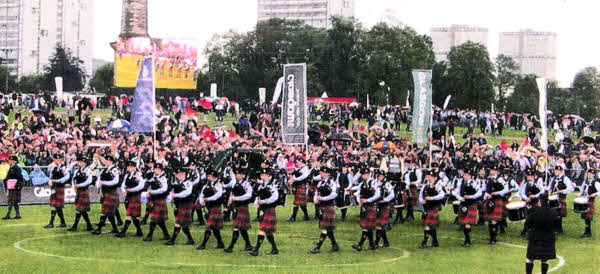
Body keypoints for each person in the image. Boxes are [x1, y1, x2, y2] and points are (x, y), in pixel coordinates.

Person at [250, 168, 280, 256]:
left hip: (269, 209)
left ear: (269, 177)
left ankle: (256, 250)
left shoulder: (272, 186)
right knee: (268, 231)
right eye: (262, 175)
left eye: (265, 175)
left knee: (262, 229)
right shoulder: (260, 186)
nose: (262, 176)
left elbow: (275, 197)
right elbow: (258, 196)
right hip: (263, 209)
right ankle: (275, 249)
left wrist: (264, 201)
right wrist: (256, 202)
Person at [224, 167, 254, 253]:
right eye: (237, 174)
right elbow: (232, 193)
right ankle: (248, 245)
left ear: (243, 175)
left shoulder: (246, 184)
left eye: (239, 174)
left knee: (237, 227)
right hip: (236, 207)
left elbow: (249, 195)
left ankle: (231, 247)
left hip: (243, 207)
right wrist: (230, 200)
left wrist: (237, 198)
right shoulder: (234, 183)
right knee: (242, 228)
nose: (237, 176)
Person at [310, 166, 339, 254]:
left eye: (323, 173)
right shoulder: (320, 183)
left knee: (324, 228)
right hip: (321, 207)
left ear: (327, 174)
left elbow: (334, 195)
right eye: (321, 173)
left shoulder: (332, 183)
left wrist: (323, 198)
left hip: (328, 206)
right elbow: (316, 192)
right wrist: (315, 198)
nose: (321, 174)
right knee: (328, 228)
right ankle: (335, 245)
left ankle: (318, 247)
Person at [165, 165, 196, 246]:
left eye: (179, 174)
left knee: (178, 222)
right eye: (177, 174)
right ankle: (190, 240)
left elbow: (187, 192)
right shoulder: (176, 183)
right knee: (184, 224)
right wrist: (171, 197)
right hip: (178, 204)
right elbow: (171, 193)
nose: (178, 175)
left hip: (186, 204)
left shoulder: (188, 183)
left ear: (183, 174)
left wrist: (176, 195)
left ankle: (172, 240)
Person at [525, 198, 558, 274]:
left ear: (540, 202)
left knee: (529, 258)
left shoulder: (534, 211)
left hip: (535, 238)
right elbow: (556, 225)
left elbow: (528, 223)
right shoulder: (553, 212)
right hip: (548, 238)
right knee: (545, 259)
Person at [352, 168, 380, 252]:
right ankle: (372, 244)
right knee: (367, 226)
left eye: (366, 174)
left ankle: (360, 244)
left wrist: (367, 200)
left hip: (371, 205)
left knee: (367, 226)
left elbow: (377, 195)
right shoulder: (361, 184)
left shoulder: (374, 183)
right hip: (364, 206)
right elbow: (358, 194)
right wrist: (359, 201)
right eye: (363, 174)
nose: (365, 176)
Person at [196, 169, 225, 249]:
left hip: (216, 207)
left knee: (208, 226)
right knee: (214, 228)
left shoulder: (218, 185)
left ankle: (203, 244)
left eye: (210, 176)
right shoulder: (206, 185)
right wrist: (202, 201)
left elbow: (218, 195)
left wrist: (207, 199)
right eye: (208, 176)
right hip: (209, 207)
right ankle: (220, 243)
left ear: (214, 177)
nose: (208, 177)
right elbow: (201, 194)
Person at [116, 160, 145, 238]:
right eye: (128, 166)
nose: (129, 168)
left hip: (135, 196)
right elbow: (123, 185)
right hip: (129, 196)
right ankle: (139, 231)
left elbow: (141, 186)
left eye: (131, 166)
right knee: (134, 215)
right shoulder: (127, 175)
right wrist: (123, 191)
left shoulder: (138, 175)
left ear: (134, 167)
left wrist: (131, 190)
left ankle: (123, 232)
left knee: (129, 214)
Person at [92, 156, 121, 235]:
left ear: (112, 162)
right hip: (105, 192)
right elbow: (99, 179)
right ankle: (115, 229)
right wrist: (98, 184)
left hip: (111, 192)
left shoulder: (115, 170)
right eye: (106, 160)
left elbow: (116, 181)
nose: (106, 162)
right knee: (109, 212)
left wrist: (104, 183)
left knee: (105, 211)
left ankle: (99, 229)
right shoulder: (103, 170)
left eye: (108, 160)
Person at [143, 163, 170, 242]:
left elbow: (163, 189)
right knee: (159, 220)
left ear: (161, 170)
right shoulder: (154, 177)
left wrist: (152, 192)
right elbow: (148, 184)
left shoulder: (163, 178)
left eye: (158, 169)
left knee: (154, 219)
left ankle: (149, 236)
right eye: (155, 169)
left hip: (160, 199)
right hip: (154, 199)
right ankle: (167, 235)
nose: (156, 170)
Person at [483, 163, 509, 245]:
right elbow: (485, 189)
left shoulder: (501, 179)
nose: (492, 171)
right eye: (491, 170)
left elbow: (506, 190)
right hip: (490, 201)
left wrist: (496, 193)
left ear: (496, 171)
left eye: (493, 170)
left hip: (497, 200)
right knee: (490, 220)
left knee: (494, 220)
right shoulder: (488, 179)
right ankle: (491, 236)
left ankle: (493, 238)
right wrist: (486, 195)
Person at [419, 169, 445, 249]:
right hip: (426, 207)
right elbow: (421, 194)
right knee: (431, 225)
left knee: (427, 224)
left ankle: (424, 242)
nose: (428, 177)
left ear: (434, 177)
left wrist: (432, 198)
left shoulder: (438, 185)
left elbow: (442, 195)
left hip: (434, 207)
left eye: (430, 176)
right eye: (428, 176)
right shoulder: (425, 185)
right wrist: (422, 201)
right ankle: (435, 241)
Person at [455, 168, 481, 247]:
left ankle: (467, 241)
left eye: (468, 175)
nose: (466, 176)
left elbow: (479, 193)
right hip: (463, 204)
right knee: (463, 222)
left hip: (471, 204)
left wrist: (470, 196)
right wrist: (460, 198)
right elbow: (457, 193)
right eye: (465, 174)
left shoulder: (474, 183)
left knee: (467, 222)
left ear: (471, 176)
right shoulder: (460, 183)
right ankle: (467, 239)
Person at [67, 154, 94, 231]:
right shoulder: (76, 171)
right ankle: (89, 226)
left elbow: (89, 181)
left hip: (84, 190)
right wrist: (74, 187)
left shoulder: (88, 170)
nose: (78, 163)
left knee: (79, 209)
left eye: (80, 162)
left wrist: (80, 185)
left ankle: (75, 226)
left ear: (84, 163)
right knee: (82, 210)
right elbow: (73, 180)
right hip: (78, 191)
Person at [44, 154, 70, 228]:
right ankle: (62, 222)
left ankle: (52, 223)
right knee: (54, 205)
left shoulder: (64, 168)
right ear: (54, 160)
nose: (58, 160)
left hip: (59, 187)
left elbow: (66, 178)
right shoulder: (53, 168)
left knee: (57, 205)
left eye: (59, 159)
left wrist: (56, 181)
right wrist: (50, 181)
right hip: (54, 187)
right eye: (56, 159)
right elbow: (50, 176)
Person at [518, 168, 546, 237]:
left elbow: (542, 191)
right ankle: (526, 231)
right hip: (528, 202)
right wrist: (526, 198)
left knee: (535, 218)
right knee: (527, 217)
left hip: (536, 201)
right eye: (528, 176)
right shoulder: (525, 183)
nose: (529, 177)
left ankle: (533, 232)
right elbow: (522, 193)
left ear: (533, 176)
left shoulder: (538, 181)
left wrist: (535, 196)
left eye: (530, 176)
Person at [546, 165, 574, 234]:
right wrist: (548, 189)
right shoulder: (553, 178)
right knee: (552, 213)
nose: (557, 172)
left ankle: (559, 229)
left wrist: (562, 191)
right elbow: (549, 187)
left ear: (561, 171)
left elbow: (570, 188)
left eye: (558, 170)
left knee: (559, 213)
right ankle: (554, 228)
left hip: (561, 197)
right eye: (556, 170)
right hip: (553, 197)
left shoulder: (565, 178)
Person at [374, 169, 394, 248]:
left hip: (384, 205)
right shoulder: (374, 183)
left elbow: (392, 195)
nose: (380, 177)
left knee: (380, 224)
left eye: (382, 176)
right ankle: (385, 241)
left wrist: (385, 200)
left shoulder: (387, 184)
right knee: (378, 224)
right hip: (377, 204)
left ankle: (376, 242)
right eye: (379, 176)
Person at [578, 169, 598, 238]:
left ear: (593, 175)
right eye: (588, 173)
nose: (589, 174)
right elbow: (582, 190)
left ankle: (588, 232)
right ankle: (587, 232)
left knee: (588, 218)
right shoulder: (585, 181)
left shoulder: (595, 182)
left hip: (590, 201)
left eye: (591, 173)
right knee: (585, 217)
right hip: (584, 200)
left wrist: (595, 194)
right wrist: (579, 194)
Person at [2, 155, 23, 220]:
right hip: (12, 186)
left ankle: (8, 214)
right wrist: (5, 180)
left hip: (14, 187)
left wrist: (17, 186)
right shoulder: (12, 167)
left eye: (11, 160)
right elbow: (9, 177)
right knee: (14, 201)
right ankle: (17, 215)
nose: (9, 161)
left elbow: (20, 178)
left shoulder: (16, 168)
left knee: (11, 201)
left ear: (14, 161)